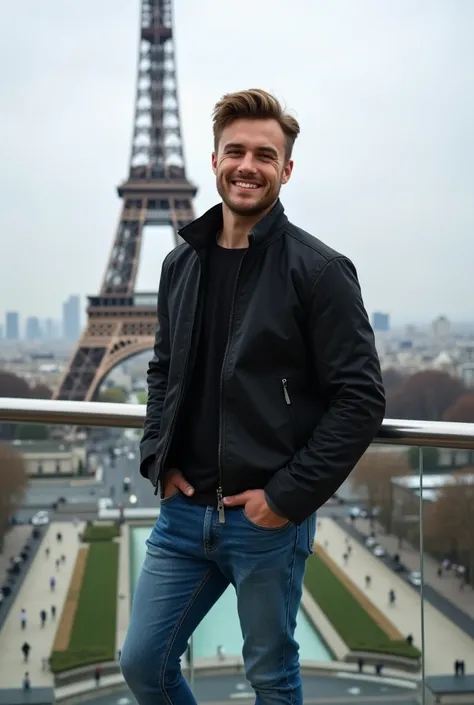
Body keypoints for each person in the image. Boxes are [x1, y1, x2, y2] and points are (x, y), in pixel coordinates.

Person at [120, 88, 385, 705]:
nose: (247, 165)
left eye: (264, 155)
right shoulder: (180, 263)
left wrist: (284, 499)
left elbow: (361, 400)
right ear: (212, 160)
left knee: (271, 677)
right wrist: (158, 460)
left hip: (265, 519)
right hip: (184, 513)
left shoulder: (319, 270)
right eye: (234, 151)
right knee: (141, 666)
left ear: (286, 170)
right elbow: (163, 371)